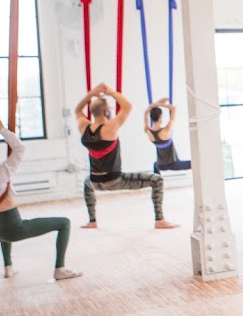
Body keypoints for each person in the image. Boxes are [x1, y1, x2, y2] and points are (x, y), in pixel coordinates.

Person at [0, 113, 81, 280]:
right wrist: (1, 128)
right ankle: (59, 269)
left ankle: (8, 267)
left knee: (4, 230)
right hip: (13, 229)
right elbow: (20, 148)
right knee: (64, 223)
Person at [75, 83, 178, 230]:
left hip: (94, 181)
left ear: (92, 112)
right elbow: (127, 106)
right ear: (106, 112)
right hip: (114, 180)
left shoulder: (83, 127)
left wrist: (92, 94)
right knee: (157, 180)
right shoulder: (110, 128)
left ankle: (92, 221)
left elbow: (77, 110)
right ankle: (159, 219)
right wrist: (111, 92)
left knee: (86, 182)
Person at [144, 97, 191, 174]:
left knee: (155, 165)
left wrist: (157, 104)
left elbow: (146, 112)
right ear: (160, 117)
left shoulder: (148, 131)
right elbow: (173, 108)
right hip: (173, 164)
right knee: (193, 163)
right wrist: (159, 104)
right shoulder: (166, 131)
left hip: (160, 165)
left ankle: (157, 183)